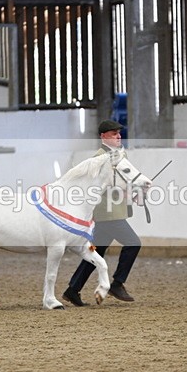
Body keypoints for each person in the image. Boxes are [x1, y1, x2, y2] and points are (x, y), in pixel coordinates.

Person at [62, 119, 141, 306]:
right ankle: (117, 283)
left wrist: (133, 192)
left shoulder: (120, 155)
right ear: (103, 136)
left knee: (96, 252)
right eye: (114, 134)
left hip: (113, 212)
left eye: (119, 133)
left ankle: (72, 290)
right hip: (107, 213)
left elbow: (123, 180)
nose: (118, 136)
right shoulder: (99, 159)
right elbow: (99, 187)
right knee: (133, 243)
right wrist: (125, 193)